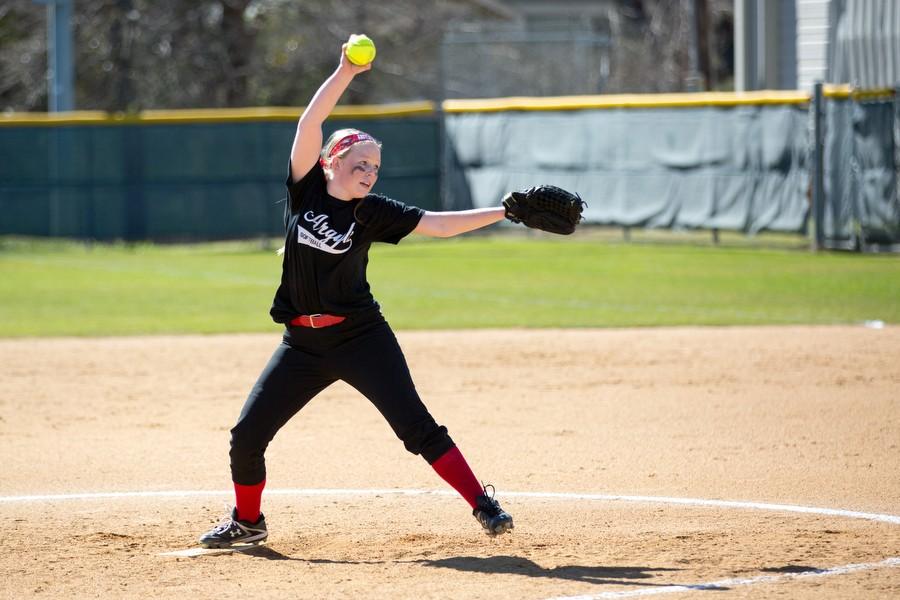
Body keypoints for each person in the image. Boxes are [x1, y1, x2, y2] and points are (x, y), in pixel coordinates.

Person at [198, 42, 513, 548]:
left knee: (416, 427)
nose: (369, 172)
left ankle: (484, 504)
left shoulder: (374, 210)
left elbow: (439, 225)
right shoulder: (307, 190)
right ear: (331, 162)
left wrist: (503, 211)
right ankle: (248, 522)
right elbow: (308, 124)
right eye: (361, 162)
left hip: (361, 337)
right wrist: (346, 71)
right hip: (301, 345)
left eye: (375, 167)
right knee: (247, 435)